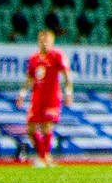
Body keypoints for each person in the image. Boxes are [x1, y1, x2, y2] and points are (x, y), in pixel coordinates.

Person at [16, 27, 73, 167]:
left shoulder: (57, 56)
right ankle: (44, 157)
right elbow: (30, 78)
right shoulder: (34, 58)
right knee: (30, 129)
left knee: (47, 126)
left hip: (51, 96)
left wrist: (68, 93)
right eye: (42, 41)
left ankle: (45, 158)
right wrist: (22, 94)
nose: (44, 43)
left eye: (47, 41)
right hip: (37, 97)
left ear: (52, 42)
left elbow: (67, 76)